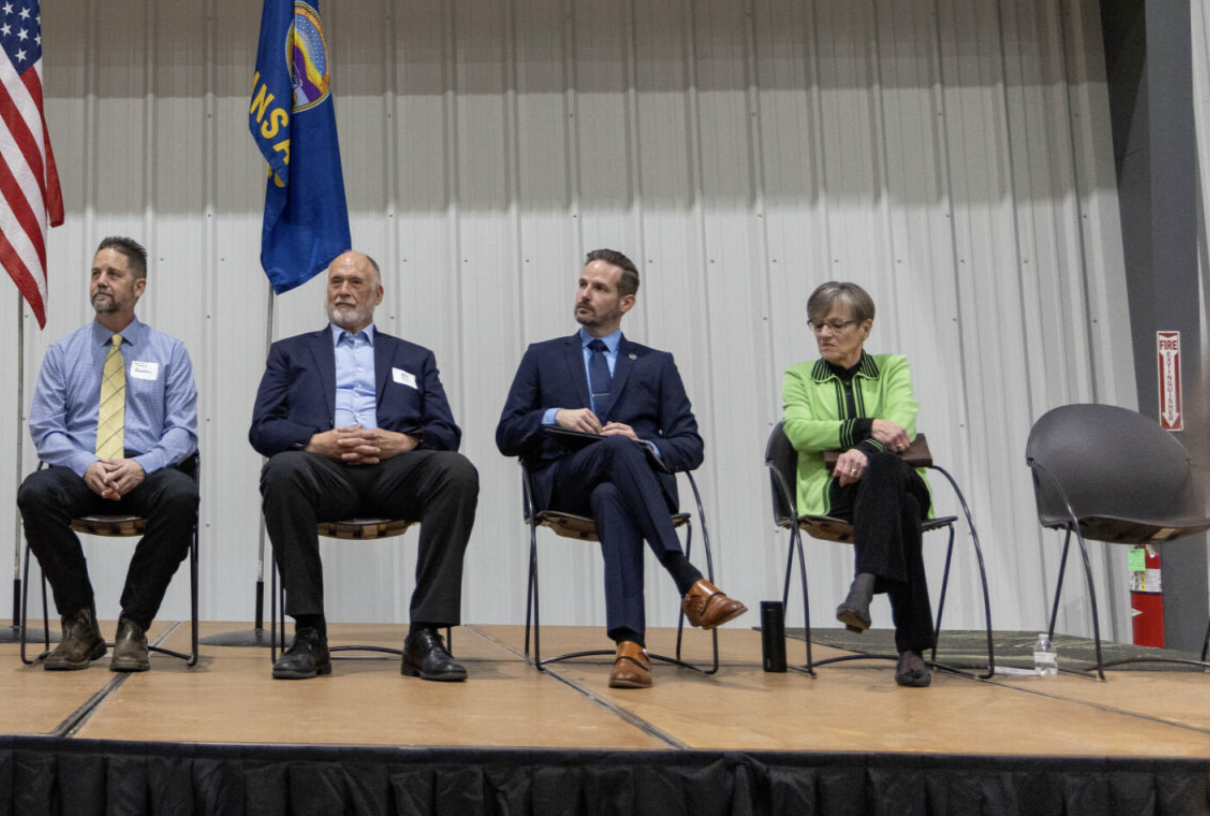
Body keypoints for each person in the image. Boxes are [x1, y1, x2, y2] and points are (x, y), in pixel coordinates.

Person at [496, 248, 745, 689]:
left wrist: (643, 443)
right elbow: (507, 434)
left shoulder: (655, 364)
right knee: (613, 450)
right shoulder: (543, 356)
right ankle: (687, 578)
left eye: (600, 288)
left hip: (632, 489)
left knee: (613, 488)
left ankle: (630, 648)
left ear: (626, 302)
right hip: (564, 483)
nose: (585, 294)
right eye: (582, 284)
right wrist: (555, 416)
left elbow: (690, 446)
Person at [249, 250, 479, 682]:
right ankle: (309, 634)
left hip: (396, 474)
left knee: (456, 471)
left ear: (377, 294)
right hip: (325, 475)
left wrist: (406, 441)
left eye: (355, 282)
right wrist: (317, 442)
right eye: (336, 281)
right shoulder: (290, 353)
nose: (343, 290)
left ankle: (426, 634)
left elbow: (447, 431)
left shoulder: (414, 357)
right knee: (282, 470)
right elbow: (262, 428)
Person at [20, 238, 200, 672]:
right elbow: (45, 428)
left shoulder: (169, 351)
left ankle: (133, 628)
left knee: (181, 497)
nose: (101, 281)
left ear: (138, 287)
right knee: (35, 493)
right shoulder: (63, 353)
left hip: (144, 470)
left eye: (113, 274)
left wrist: (141, 465)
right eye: (96, 273)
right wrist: (87, 465)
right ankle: (79, 626)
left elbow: (183, 430)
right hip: (81, 470)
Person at [781, 279, 936, 687]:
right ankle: (911, 650)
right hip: (838, 494)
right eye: (816, 325)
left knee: (885, 470)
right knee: (898, 511)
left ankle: (863, 584)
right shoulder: (800, 377)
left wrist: (861, 452)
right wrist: (868, 429)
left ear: (865, 328)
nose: (823, 334)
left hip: (898, 479)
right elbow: (798, 432)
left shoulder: (892, 367)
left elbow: (902, 423)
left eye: (835, 324)